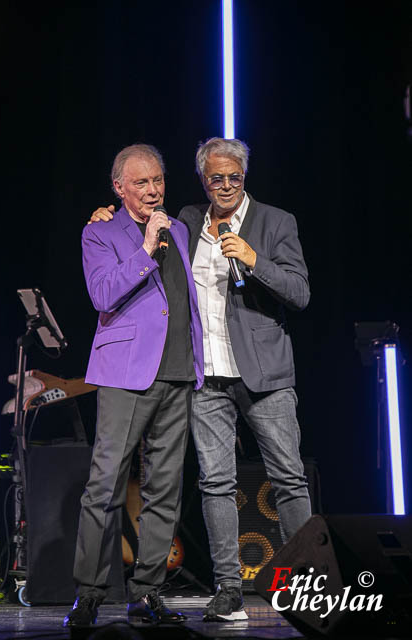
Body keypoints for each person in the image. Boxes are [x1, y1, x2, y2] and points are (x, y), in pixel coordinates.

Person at [89, 137, 312, 623]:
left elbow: (300, 293)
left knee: (290, 480)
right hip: (206, 376)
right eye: (217, 178)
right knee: (215, 483)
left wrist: (254, 260)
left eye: (234, 177)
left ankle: (309, 583)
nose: (226, 185)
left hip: (264, 374)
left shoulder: (277, 222)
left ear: (245, 176)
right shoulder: (187, 221)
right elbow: (134, 225)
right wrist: (106, 214)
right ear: (203, 181)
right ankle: (228, 588)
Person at [64, 143, 203, 627]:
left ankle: (147, 593)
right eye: (141, 183)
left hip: (178, 372)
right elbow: (102, 293)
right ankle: (89, 591)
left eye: (158, 180)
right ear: (119, 188)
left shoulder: (180, 229)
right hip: (126, 374)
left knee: (165, 487)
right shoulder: (100, 231)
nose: (153, 190)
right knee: (104, 485)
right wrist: (145, 248)